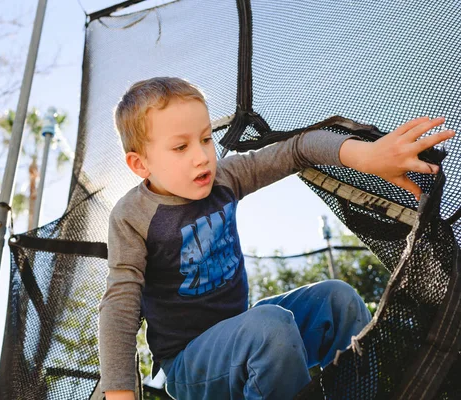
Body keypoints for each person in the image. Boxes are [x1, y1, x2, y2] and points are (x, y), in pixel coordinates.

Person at [98, 77, 455, 400]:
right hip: (190, 367)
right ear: (140, 164)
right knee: (269, 325)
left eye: (206, 139)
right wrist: (118, 391)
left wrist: (366, 155)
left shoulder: (226, 177)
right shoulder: (133, 216)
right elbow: (119, 305)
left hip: (246, 335)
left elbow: (296, 150)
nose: (201, 157)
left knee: (338, 300)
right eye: (180, 148)